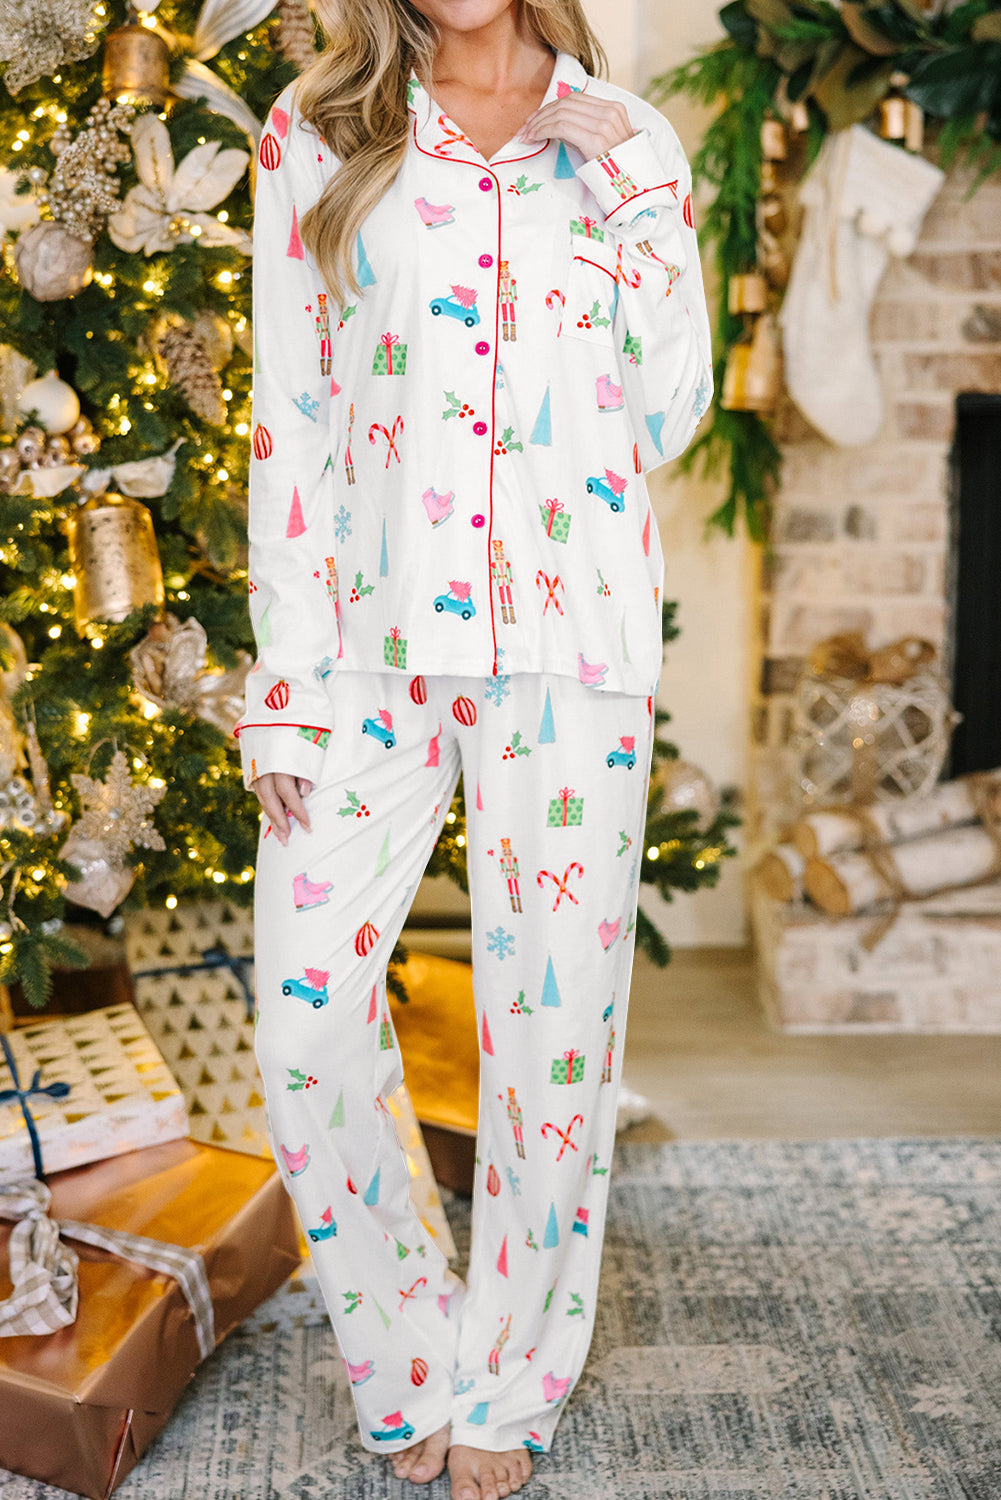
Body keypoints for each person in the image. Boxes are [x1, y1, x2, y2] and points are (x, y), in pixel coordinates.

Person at [234, 0, 712, 1495]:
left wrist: (637, 204)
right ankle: (407, 1354)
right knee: (303, 1028)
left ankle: (508, 1379)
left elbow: (672, 413)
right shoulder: (321, 130)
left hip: (571, 651)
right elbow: (290, 414)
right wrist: (283, 683)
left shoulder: (625, 139)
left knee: (549, 1046)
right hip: (369, 650)